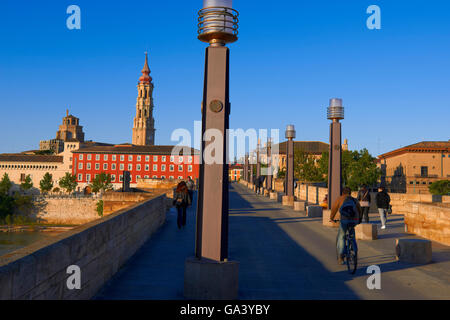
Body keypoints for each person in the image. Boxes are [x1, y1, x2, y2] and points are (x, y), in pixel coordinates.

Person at [329, 187, 362, 265]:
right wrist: (359, 219)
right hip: (354, 220)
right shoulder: (354, 200)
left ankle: (340, 256)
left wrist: (331, 218)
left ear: (342, 193)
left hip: (344, 220)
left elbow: (334, 208)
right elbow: (360, 210)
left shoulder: (340, 199)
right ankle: (354, 249)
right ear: (350, 193)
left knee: (341, 236)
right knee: (352, 235)